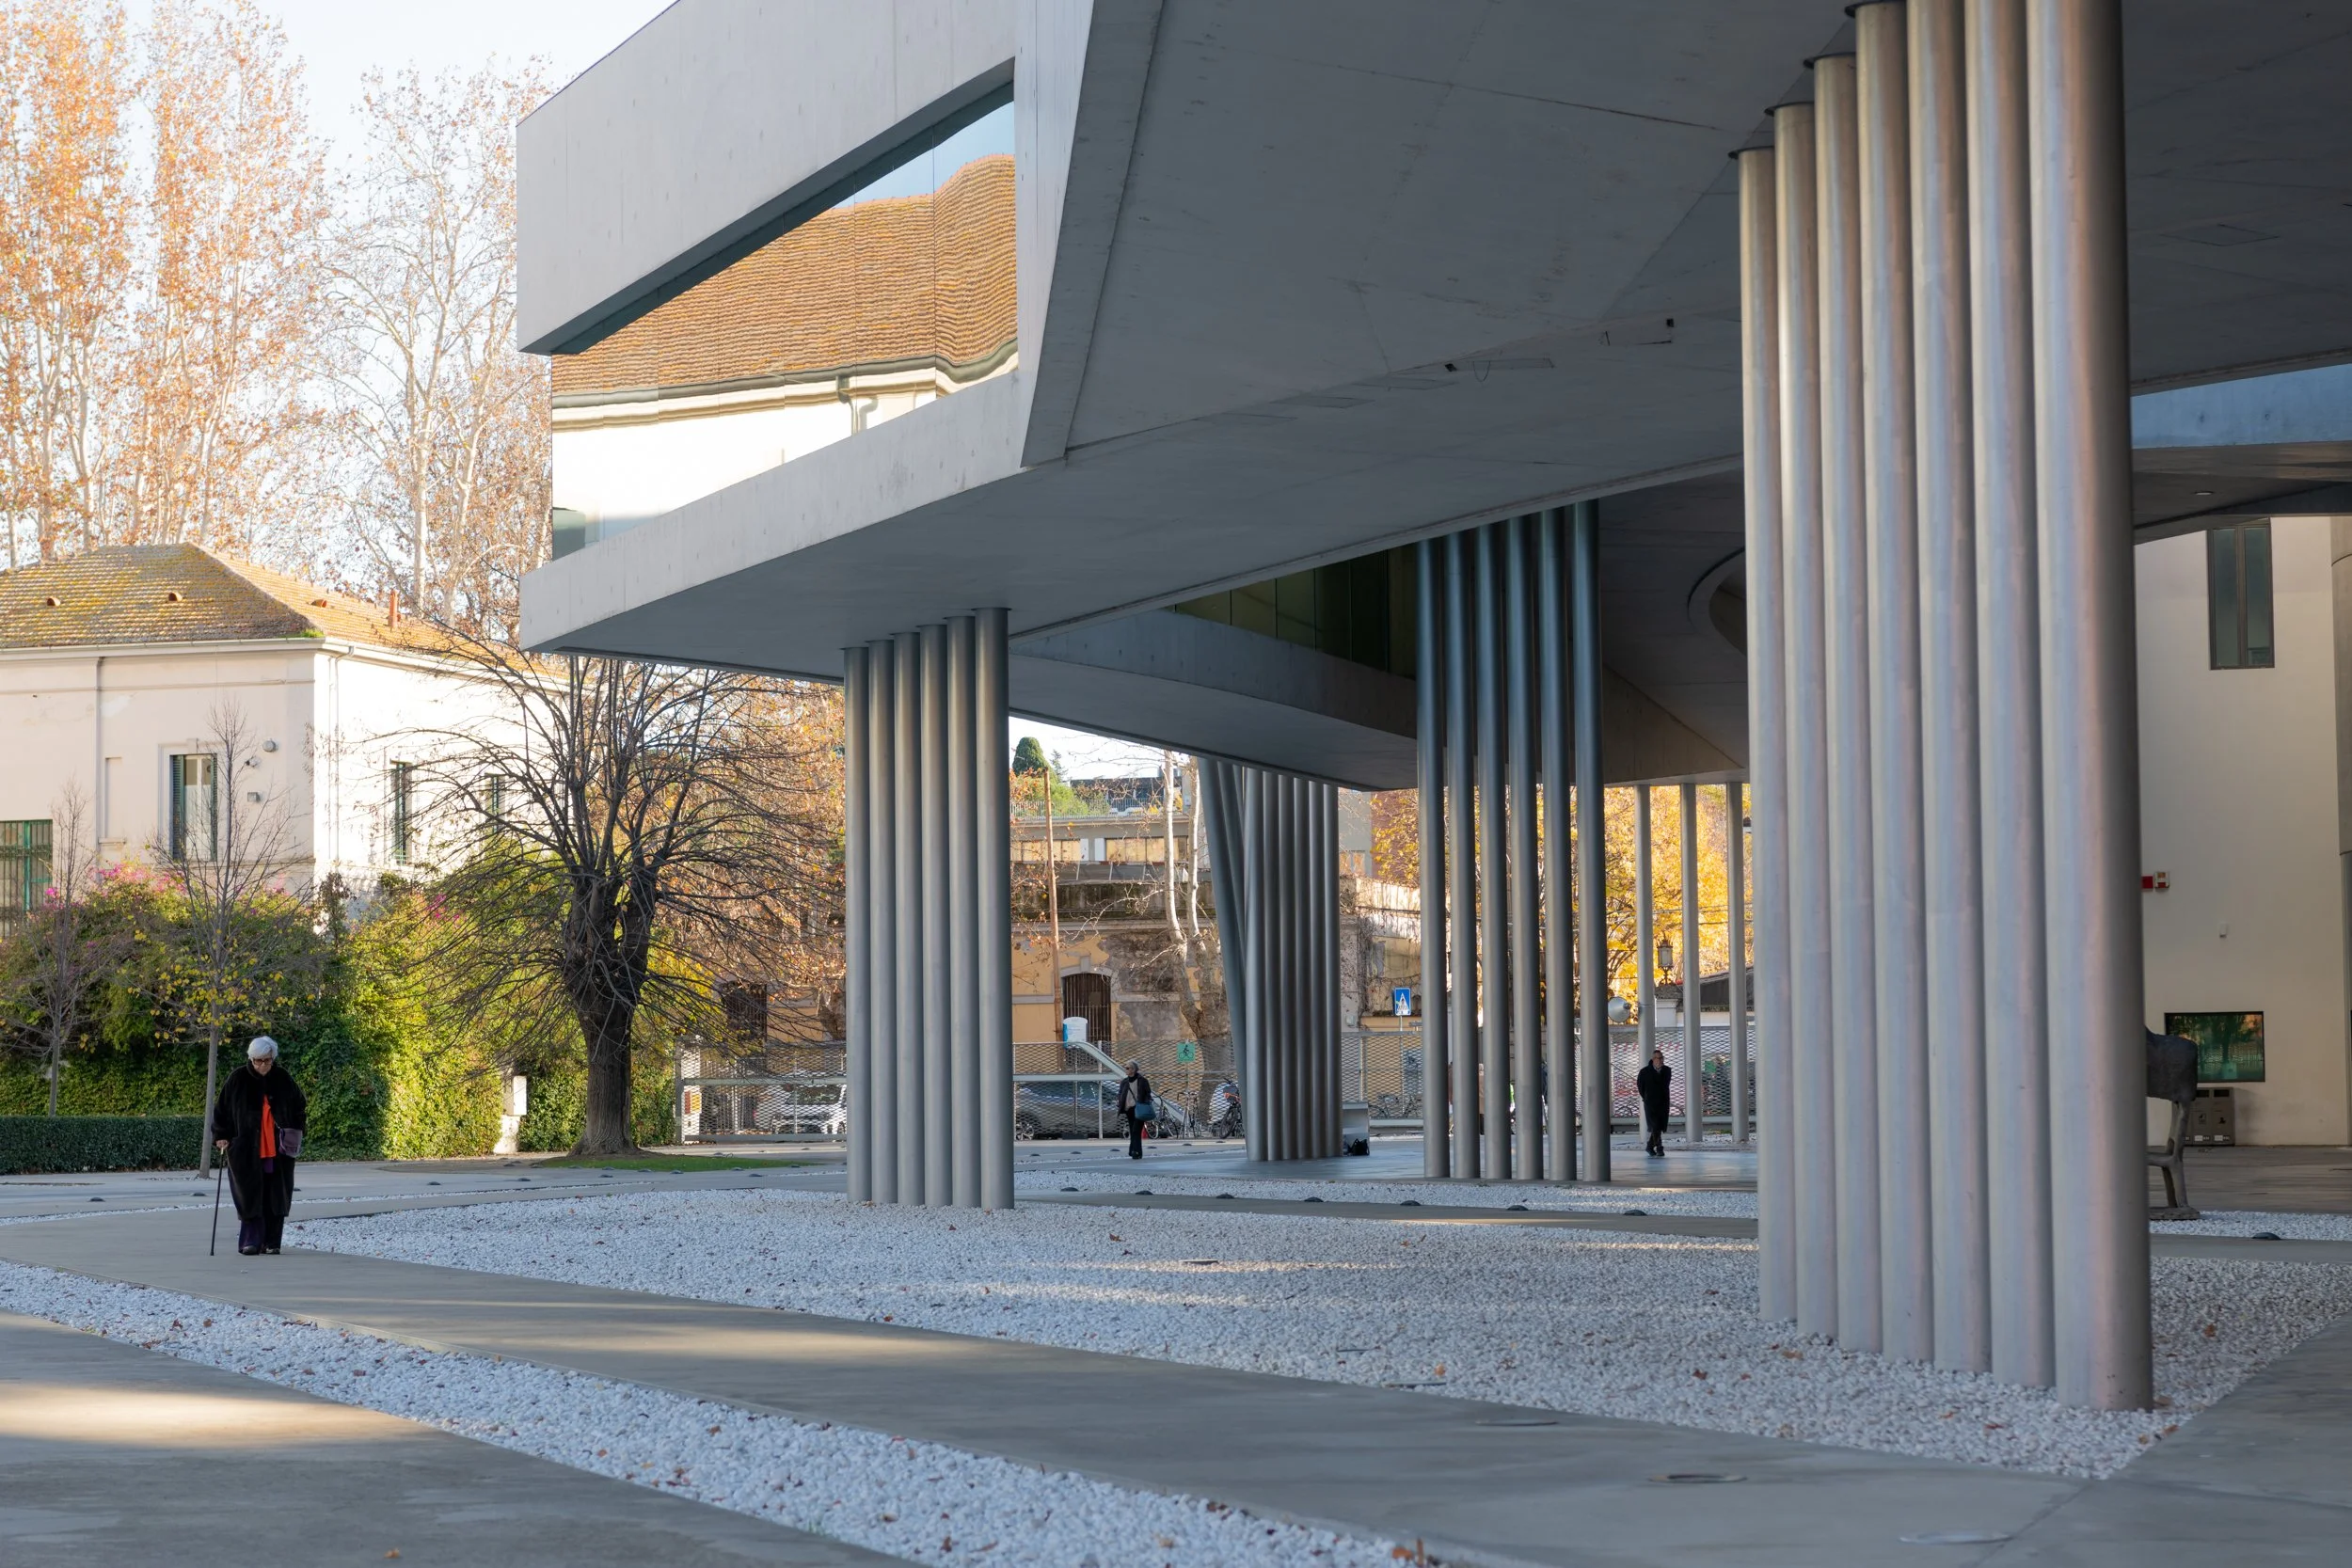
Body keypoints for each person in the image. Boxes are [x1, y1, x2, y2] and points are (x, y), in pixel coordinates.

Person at [211, 1036, 307, 1256]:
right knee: (249, 1195)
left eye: (266, 1060)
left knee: (276, 1196)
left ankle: (272, 1242)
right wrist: (221, 1136)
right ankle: (251, 1242)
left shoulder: (283, 1078)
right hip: (245, 1149)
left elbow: (300, 1106)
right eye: (257, 1060)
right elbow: (221, 1111)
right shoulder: (237, 1079)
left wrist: (296, 1130)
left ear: (273, 1058)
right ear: (251, 1059)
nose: (262, 1065)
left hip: (279, 1150)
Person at [1636, 1048, 1672, 1158]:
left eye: (1662, 1058)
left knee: (1659, 1126)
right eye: (1658, 1058)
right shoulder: (1644, 1072)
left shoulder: (1667, 1070)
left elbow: (1665, 1084)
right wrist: (1646, 1097)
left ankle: (1651, 1146)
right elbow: (1640, 1087)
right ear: (1653, 1059)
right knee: (1655, 1125)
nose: (1660, 1060)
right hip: (1650, 1103)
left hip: (1663, 1102)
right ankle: (1659, 1147)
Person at [1115, 1059, 1153, 1160]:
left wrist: (1144, 1102)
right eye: (1125, 1067)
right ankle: (1133, 1150)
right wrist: (1119, 1101)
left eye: (1127, 1068)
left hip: (1139, 1109)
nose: (1126, 1069)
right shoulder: (1125, 1082)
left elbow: (1148, 1094)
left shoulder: (1142, 1081)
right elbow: (1120, 1093)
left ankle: (1136, 1151)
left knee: (1136, 1130)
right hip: (1129, 1109)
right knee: (1132, 1131)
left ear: (1133, 1069)